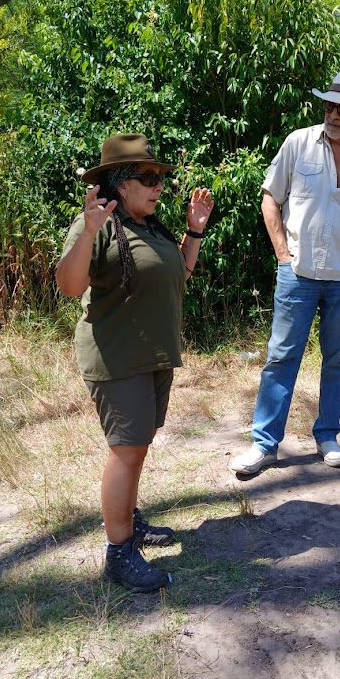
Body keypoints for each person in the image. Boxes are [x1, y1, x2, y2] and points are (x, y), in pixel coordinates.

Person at [56, 134, 214, 591]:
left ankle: (129, 519)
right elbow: (69, 285)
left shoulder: (150, 226)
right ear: (122, 184)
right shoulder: (98, 223)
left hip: (151, 356)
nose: (158, 185)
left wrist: (194, 231)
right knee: (126, 451)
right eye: (148, 177)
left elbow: (178, 274)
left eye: (159, 177)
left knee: (138, 446)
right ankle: (119, 553)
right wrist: (88, 232)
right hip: (117, 356)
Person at [229, 69, 340, 477]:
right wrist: (282, 254)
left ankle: (327, 435)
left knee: (337, 360)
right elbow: (270, 199)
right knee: (280, 357)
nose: (334, 115)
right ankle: (264, 444)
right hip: (298, 273)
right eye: (329, 107)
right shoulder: (297, 143)